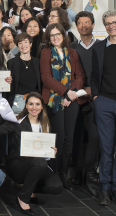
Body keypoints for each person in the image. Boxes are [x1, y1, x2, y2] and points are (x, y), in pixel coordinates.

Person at [0, 93, 63, 215]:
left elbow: (44, 149)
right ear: (26, 106)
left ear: (42, 106)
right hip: (17, 165)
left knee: (56, 186)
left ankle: (28, 187)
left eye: (37, 104)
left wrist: (51, 151)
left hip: (37, 165)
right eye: (31, 104)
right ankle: (23, 197)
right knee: (40, 162)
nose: (34, 107)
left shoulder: (46, 124)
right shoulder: (17, 121)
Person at [91, 10, 116, 207]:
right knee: (106, 148)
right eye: (107, 23)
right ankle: (105, 189)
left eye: (115, 22)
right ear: (104, 26)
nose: (111, 26)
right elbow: (94, 74)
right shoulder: (98, 48)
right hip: (104, 102)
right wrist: (96, 96)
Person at [40, 23, 85, 190]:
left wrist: (71, 93)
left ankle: (64, 174)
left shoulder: (72, 53)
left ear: (63, 35)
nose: (55, 37)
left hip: (71, 100)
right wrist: (65, 92)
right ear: (48, 38)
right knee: (58, 138)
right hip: (54, 99)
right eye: (52, 35)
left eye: (58, 34)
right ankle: (54, 173)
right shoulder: (46, 53)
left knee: (69, 138)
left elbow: (80, 75)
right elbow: (46, 78)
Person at [70, 11, 100, 196]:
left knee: (95, 137)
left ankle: (90, 171)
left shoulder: (102, 46)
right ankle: (78, 171)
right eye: (80, 23)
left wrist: (94, 91)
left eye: (86, 22)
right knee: (77, 136)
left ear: (93, 24)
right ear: (76, 26)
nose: (83, 25)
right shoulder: (72, 47)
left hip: (97, 97)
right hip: (77, 96)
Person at [6, 33, 41, 114]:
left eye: (25, 42)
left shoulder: (37, 62)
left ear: (30, 44)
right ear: (17, 46)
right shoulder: (11, 63)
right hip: (17, 101)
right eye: (20, 43)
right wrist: (8, 81)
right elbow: (7, 84)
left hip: (34, 101)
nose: (23, 45)